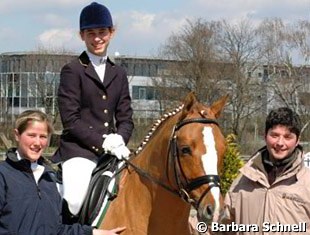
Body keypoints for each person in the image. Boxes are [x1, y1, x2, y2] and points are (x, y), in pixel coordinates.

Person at [52, 1, 134, 219]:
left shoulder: (119, 73)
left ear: (111, 33)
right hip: (80, 150)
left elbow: (126, 117)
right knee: (75, 200)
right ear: (82, 36)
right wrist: (102, 141)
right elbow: (70, 119)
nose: (97, 38)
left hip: (115, 149)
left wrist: (120, 139)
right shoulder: (73, 70)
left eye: (102, 32)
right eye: (91, 33)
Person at [0, 110, 125, 235]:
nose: (37, 143)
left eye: (43, 137)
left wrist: (95, 233)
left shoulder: (49, 179)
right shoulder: (3, 175)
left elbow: (57, 230)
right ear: (17, 135)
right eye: (31, 135)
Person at [222, 107, 310, 234]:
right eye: (274, 135)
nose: (280, 143)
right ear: (265, 136)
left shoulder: (306, 183)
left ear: (297, 141)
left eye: (287, 137)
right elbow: (220, 227)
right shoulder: (243, 180)